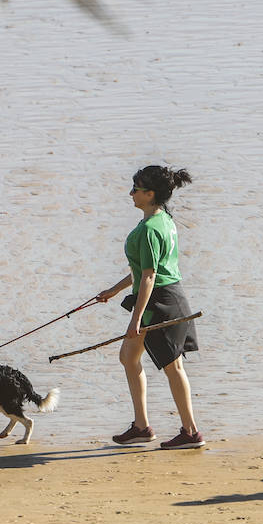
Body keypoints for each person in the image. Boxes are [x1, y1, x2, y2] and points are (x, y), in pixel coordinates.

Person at [96, 165, 204, 449]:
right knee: (129, 357)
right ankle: (141, 426)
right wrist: (114, 290)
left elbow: (149, 276)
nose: (131, 193)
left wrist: (136, 319)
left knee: (173, 367)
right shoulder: (164, 220)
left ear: (150, 193)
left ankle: (191, 432)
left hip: (161, 303)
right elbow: (143, 269)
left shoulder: (148, 229)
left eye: (136, 188)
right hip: (168, 297)